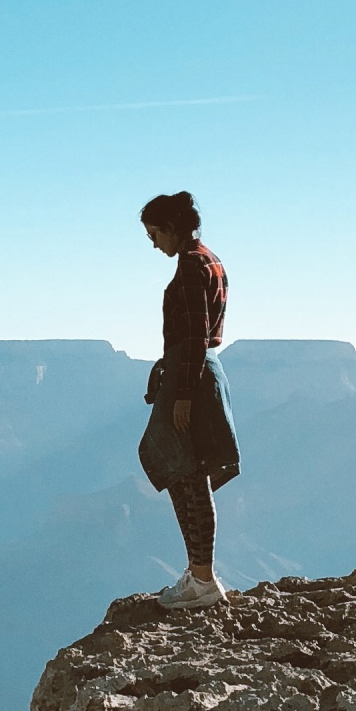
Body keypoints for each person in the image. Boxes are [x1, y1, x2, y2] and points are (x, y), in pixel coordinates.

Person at [138, 190, 240, 608]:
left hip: (192, 378)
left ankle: (201, 580)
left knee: (186, 472)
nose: (153, 243)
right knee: (187, 470)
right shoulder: (209, 260)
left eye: (154, 234)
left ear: (172, 228)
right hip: (195, 371)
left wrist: (181, 394)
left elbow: (197, 335)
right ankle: (200, 572)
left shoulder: (193, 266)